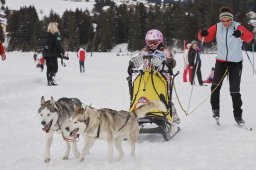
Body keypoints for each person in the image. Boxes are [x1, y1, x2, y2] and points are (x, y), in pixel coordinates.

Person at [198, 6, 254, 125]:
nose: (225, 23)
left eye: (227, 20)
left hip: (236, 63)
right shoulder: (217, 27)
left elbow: (249, 37)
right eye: (223, 21)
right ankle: (215, 110)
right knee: (215, 86)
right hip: (221, 62)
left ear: (231, 19)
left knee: (234, 90)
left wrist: (241, 34)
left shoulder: (238, 26)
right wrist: (202, 34)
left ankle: (238, 116)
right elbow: (205, 37)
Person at [141, 29, 179, 124]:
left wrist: (169, 61)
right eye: (149, 43)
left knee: (164, 99)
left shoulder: (165, 51)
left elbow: (172, 62)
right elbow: (141, 64)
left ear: (160, 41)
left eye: (154, 42)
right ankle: (148, 114)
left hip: (163, 80)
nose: (152, 45)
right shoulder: (144, 52)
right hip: (149, 80)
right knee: (148, 97)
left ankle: (173, 117)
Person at [44, 22, 65, 86]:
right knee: (55, 68)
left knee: (49, 68)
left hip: (46, 54)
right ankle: (51, 79)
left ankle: (49, 81)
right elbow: (58, 44)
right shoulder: (56, 34)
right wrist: (62, 51)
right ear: (55, 27)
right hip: (52, 54)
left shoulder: (46, 34)